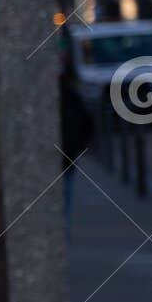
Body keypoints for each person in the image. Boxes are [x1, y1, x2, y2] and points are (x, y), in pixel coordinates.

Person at [59, 62, 93, 234]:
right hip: (69, 155)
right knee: (66, 197)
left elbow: (87, 124)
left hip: (66, 154)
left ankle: (62, 229)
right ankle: (63, 229)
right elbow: (88, 124)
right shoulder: (73, 98)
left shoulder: (70, 98)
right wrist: (81, 145)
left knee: (64, 195)